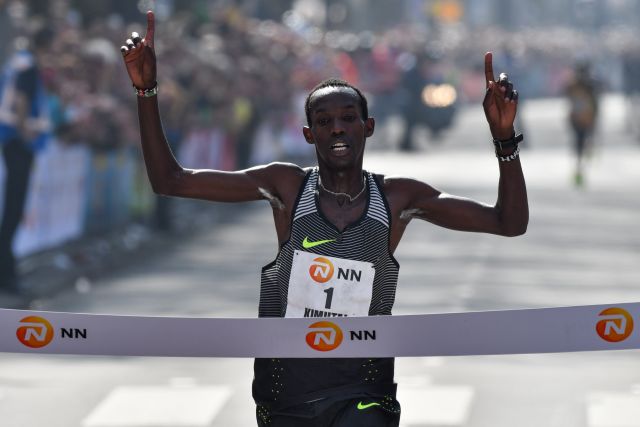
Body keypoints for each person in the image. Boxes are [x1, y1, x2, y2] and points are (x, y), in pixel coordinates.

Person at [121, 12, 528, 427]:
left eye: (348, 119)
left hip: (364, 389)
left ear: (367, 127)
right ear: (308, 134)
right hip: (287, 393)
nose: (338, 130)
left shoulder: (397, 197)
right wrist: (146, 91)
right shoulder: (286, 188)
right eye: (324, 122)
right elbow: (171, 181)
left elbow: (508, 222)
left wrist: (504, 139)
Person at [0, 28, 53, 294]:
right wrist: (25, 132)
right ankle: (6, 274)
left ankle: (7, 271)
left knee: (10, 208)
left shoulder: (18, 62)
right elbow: (22, 101)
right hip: (18, 143)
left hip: (10, 140)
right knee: (12, 209)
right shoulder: (29, 67)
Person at [565, 61, 599, 187]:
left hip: (585, 118)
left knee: (582, 143)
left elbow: (595, 103)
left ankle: (580, 168)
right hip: (578, 119)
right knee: (580, 144)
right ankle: (579, 170)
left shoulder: (590, 85)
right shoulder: (575, 85)